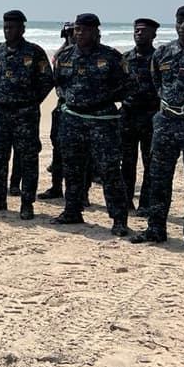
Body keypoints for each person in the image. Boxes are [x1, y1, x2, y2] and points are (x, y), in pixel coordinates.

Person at [132, 5, 184, 255]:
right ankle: (155, 229)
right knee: (158, 178)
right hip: (166, 123)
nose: (183, 26)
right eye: (179, 22)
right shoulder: (163, 53)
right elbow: (158, 83)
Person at [52, 13, 131, 236]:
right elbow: (58, 82)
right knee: (73, 167)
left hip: (102, 121)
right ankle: (72, 211)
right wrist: (70, 100)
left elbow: (127, 85)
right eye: (77, 29)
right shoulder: (66, 55)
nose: (79, 33)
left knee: (109, 170)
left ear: (97, 32)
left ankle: (119, 219)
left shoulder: (111, 57)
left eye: (85, 30)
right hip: (72, 119)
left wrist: (101, 99)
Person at [0, 10, 53, 219]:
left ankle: (27, 203)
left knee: (28, 159)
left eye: (12, 27)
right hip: (0, 114)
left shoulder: (34, 52)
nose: (8, 31)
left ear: (22, 29)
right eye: (5, 27)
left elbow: (47, 80)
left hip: (25, 115)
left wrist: (31, 101)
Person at [120, 18, 160, 215]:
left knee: (150, 162)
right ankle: (126, 201)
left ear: (153, 35)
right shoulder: (125, 59)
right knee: (126, 161)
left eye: (143, 31)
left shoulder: (159, 58)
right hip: (128, 115)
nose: (139, 34)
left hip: (151, 116)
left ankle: (145, 204)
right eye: (136, 30)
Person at [38, 22, 75, 200]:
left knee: (81, 154)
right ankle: (56, 186)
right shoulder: (63, 54)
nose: (71, 35)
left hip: (81, 111)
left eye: (73, 32)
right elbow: (55, 76)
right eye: (68, 32)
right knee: (58, 149)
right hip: (63, 107)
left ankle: (81, 193)